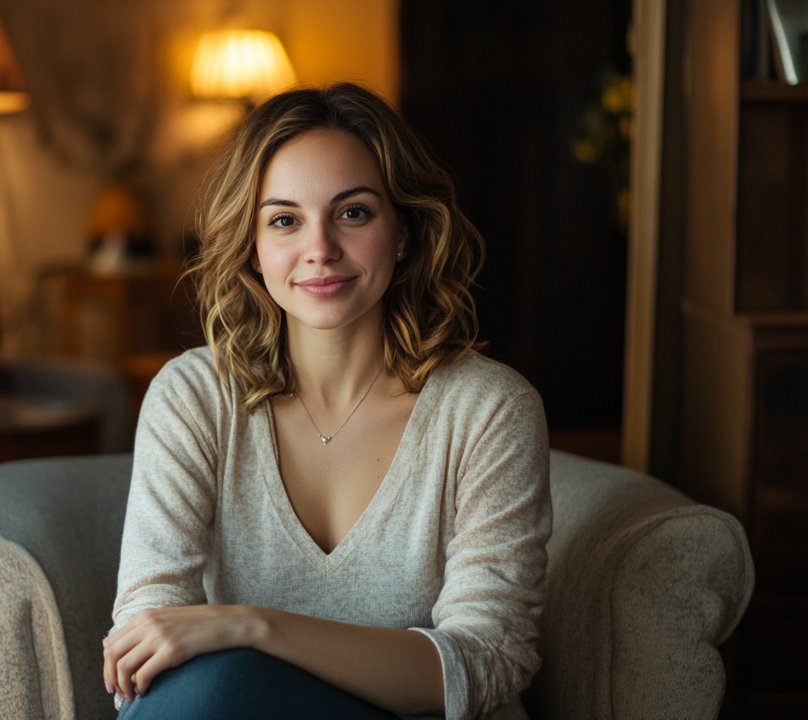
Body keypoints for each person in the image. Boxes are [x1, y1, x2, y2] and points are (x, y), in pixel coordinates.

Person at [102, 82, 551, 720]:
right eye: (285, 219)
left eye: (354, 212)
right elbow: (146, 649)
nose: (320, 249)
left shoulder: (488, 410)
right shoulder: (194, 398)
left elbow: (486, 663)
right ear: (253, 249)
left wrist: (251, 627)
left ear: (403, 231)